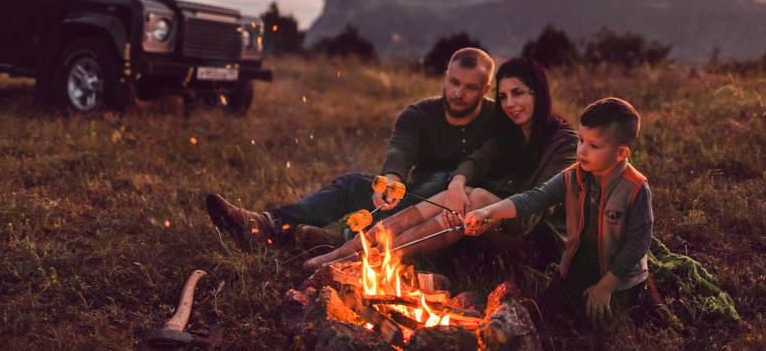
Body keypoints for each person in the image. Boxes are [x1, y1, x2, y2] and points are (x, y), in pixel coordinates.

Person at [303, 57, 578, 270]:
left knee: (477, 197)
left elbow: (537, 205)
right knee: (459, 196)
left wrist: (487, 213)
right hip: (490, 222)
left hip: (536, 240)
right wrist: (458, 185)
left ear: (538, 93)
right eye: (504, 96)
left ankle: (369, 259)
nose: (509, 104)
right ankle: (344, 253)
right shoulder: (509, 132)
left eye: (518, 93)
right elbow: (475, 161)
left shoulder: (563, 142)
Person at [206, 47, 497, 247]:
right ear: (446, 77)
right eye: (454, 82)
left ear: (485, 90)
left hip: (459, 218)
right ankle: (266, 223)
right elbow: (400, 152)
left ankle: (343, 239)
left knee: (442, 181)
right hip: (414, 198)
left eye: (471, 88)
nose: (458, 93)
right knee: (352, 183)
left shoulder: (497, 120)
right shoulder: (419, 114)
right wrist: (390, 181)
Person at [463, 97, 663, 324]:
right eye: (580, 141)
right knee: (546, 318)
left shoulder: (636, 188)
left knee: (611, 324)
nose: (582, 151)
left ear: (620, 154)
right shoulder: (572, 176)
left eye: (593, 146)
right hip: (576, 270)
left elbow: (638, 244)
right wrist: (489, 211)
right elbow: (534, 198)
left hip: (620, 278)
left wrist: (605, 287)